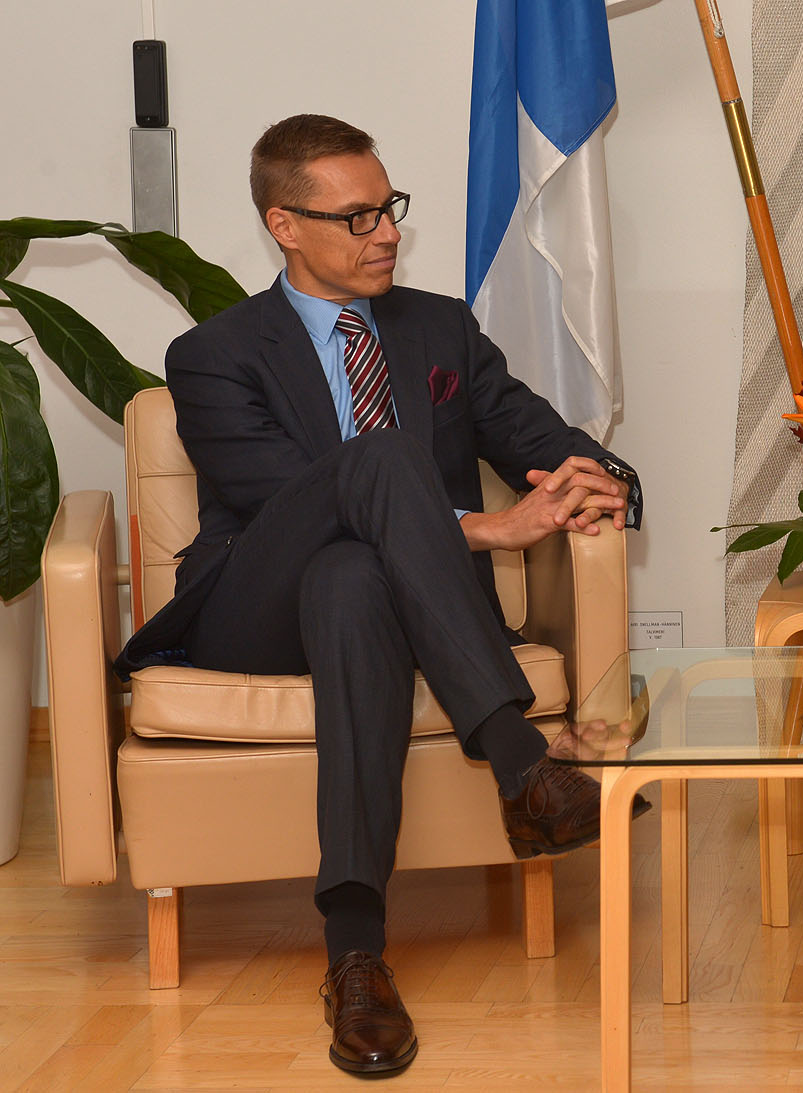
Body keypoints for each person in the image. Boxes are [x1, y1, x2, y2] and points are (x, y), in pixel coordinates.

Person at [115, 114, 645, 1076]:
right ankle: (520, 759)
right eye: (357, 219)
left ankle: (355, 958)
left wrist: (602, 480)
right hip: (253, 606)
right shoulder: (214, 354)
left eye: (389, 208)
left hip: (378, 604)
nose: (387, 234)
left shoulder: (438, 326)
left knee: (354, 579)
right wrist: (484, 528)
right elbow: (292, 499)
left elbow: (536, 433)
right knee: (381, 466)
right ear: (284, 224)